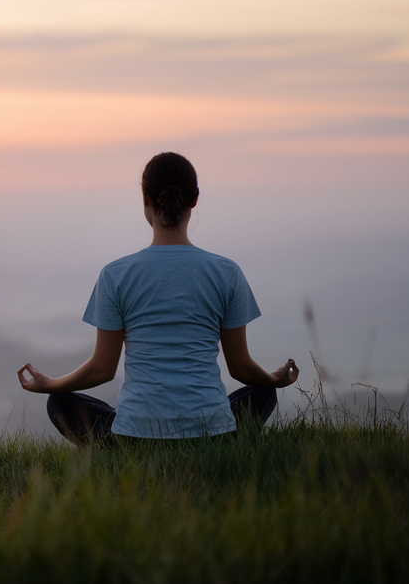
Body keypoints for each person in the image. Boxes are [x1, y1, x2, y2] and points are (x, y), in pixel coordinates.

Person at [16, 152, 299, 443]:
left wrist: (50, 384)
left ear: (145, 200)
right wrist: (273, 379)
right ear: (195, 199)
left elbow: (102, 369)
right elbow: (241, 368)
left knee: (59, 402)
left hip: (136, 439)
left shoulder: (116, 275)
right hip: (212, 436)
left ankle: (120, 451)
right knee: (263, 391)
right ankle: (221, 438)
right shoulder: (226, 272)